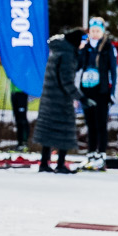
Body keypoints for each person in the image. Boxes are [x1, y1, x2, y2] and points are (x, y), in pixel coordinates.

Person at [34, 32, 83, 173]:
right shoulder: (67, 54)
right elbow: (66, 80)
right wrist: (80, 97)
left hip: (49, 98)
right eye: (83, 40)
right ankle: (60, 164)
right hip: (61, 100)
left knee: (48, 131)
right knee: (65, 130)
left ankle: (44, 163)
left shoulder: (59, 49)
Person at [76, 17, 118, 170]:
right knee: (90, 123)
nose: (94, 33)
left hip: (102, 91)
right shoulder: (85, 46)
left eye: (97, 31)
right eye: (92, 31)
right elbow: (78, 66)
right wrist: (80, 50)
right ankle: (91, 152)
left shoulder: (108, 47)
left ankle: (101, 153)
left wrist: (112, 92)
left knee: (101, 123)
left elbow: (113, 71)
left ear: (102, 32)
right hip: (87, 90)